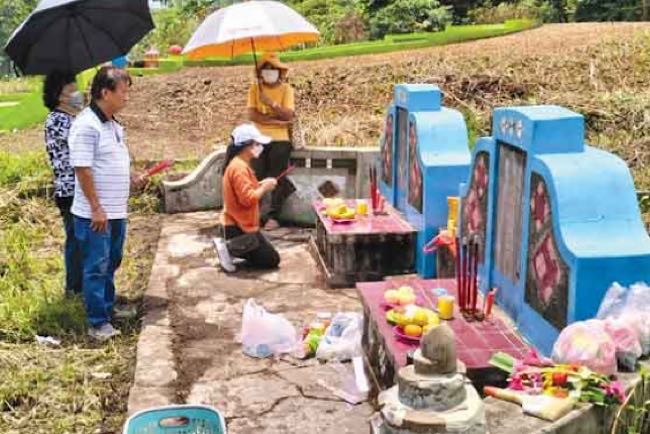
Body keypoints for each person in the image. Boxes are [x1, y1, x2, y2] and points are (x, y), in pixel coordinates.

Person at [68, 66, 145, 341]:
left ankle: (108, 308)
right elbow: (83, 169)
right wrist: (96, 208)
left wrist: (131, 175)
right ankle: (97, 322)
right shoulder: (86, 125)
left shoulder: (112, 124)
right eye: (123, 91)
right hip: (96, 213)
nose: (127, 97)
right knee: (96, 265)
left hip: (115, 210)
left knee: (112, 260)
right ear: (105, 92)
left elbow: (113, 160)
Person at [215, 124, 281, 272]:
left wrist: (260, 184)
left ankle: (237, 248)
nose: (260, 147)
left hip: (240, 224)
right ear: (246, 146)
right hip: (237, 227)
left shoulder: (239, 164)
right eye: (257, 144)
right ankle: (228, 248)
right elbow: (247, 199)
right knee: (272, 260)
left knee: (268, 254)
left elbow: (243, 190)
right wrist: (264, 188)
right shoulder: (239, 168)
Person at [43, 71, 85, 296]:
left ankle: (78, 286)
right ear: (60, 96)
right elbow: (82, 144)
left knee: (79, 239)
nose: (77, 93)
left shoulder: (70, 118)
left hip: (76, 187)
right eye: (72, 89)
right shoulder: (58, 120)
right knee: (77, 240)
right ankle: (74, 288)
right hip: (70, 188)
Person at [247, 51, 295, 230]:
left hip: (280, 140)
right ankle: (255, 215)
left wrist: (270, 103)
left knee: (277, 177)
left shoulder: (286, 90)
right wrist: (276, 120)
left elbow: (289, 115)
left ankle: (274, 216)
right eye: (265, 68)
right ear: (260, 72)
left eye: (273, 68)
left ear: (279, 71)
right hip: (258, 139)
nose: (269, 71)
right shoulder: (254, 89)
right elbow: (252, 115)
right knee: (255, 176)